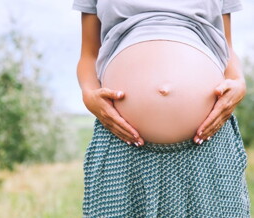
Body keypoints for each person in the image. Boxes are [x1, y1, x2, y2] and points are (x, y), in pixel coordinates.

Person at [72, 0, 251, 217]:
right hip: (122, 140)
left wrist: (239, 82)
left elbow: (225, 46)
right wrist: (89, 94)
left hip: (206, 141)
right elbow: (89, 53)